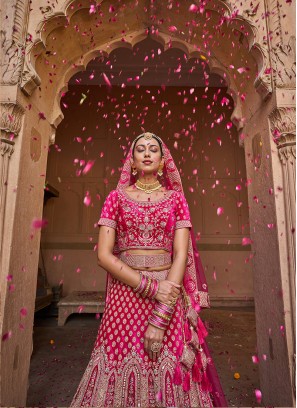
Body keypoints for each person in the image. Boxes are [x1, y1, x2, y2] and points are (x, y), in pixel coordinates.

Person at [70, 132, 227, 407]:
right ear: (131, 161)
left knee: (168, 363)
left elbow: (181, 255)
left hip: (169, 291)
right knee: (119, 359)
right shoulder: (115, 198)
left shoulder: (176, 200)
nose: (146, 153)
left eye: (153, 149)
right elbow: (104, 256)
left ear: (163, 160)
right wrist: (153, 288)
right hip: (125, 295)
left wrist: (163, 311)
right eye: (140, 149)